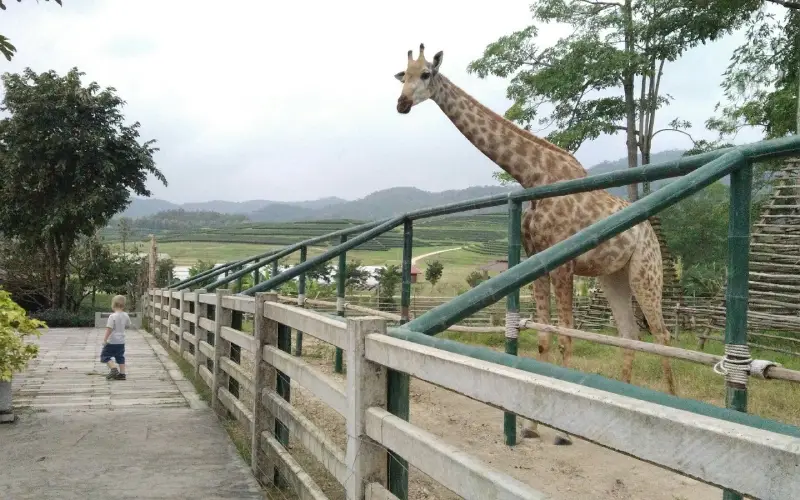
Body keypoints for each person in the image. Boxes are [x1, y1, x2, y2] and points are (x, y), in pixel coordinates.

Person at [101, 295, 130, 380]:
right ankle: (122, 374)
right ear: (123, 305)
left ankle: (113, 369)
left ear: (113, 305)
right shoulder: (126, 315)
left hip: (112, 341)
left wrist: (105, 339)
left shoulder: (112, 316)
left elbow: (109, 329)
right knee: (120, 357)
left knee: (105, 356)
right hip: (121, 342)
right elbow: (128, 326)